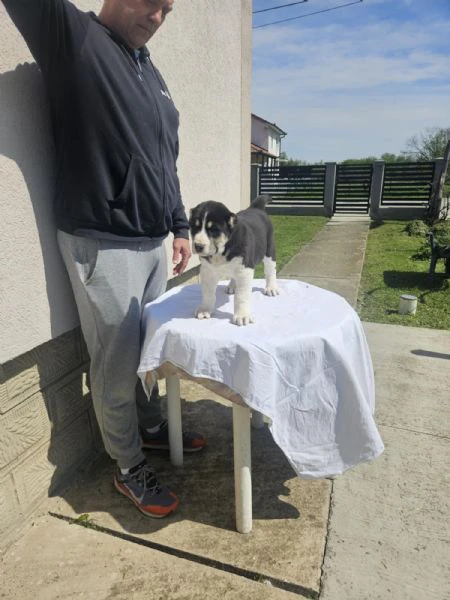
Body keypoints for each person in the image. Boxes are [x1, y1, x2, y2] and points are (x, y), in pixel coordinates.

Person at [2, 0, 205, 518]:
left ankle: (151, 427)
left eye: (167, 10)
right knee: (115, 365)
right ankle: (128, 465)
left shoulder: (149, 69)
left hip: (154, 242)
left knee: (148, 350)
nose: (157, 18)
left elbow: (165, 159)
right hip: (103, 241)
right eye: (151, 2)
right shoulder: (74, 38)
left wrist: (180, 226)